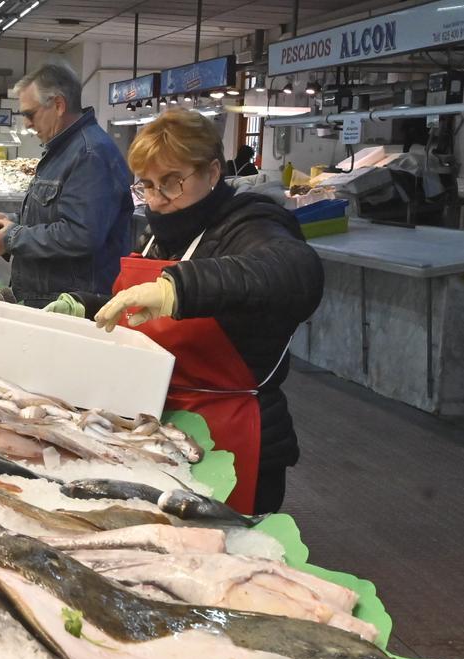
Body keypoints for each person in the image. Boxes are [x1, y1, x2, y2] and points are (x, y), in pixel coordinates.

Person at [47, 108, 323, 515]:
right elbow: (141, 315)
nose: (157, 200)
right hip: (162, 422)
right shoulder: (159, 234)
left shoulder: (250, 222)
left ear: (212, 173)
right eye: (148, 185)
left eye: (172, 182)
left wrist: (178, 288)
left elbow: (297, 270)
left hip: (231, 435)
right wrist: (87, 307)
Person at [0, 62, 134, 305]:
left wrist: (13, 237)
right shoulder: (64, 150)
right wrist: (12, 222)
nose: (26, 123)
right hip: (47, 298)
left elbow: (81, 234)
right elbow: (58, 215)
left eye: (30, 114)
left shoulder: (90, 154)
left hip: (68, 304)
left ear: (58, 105)